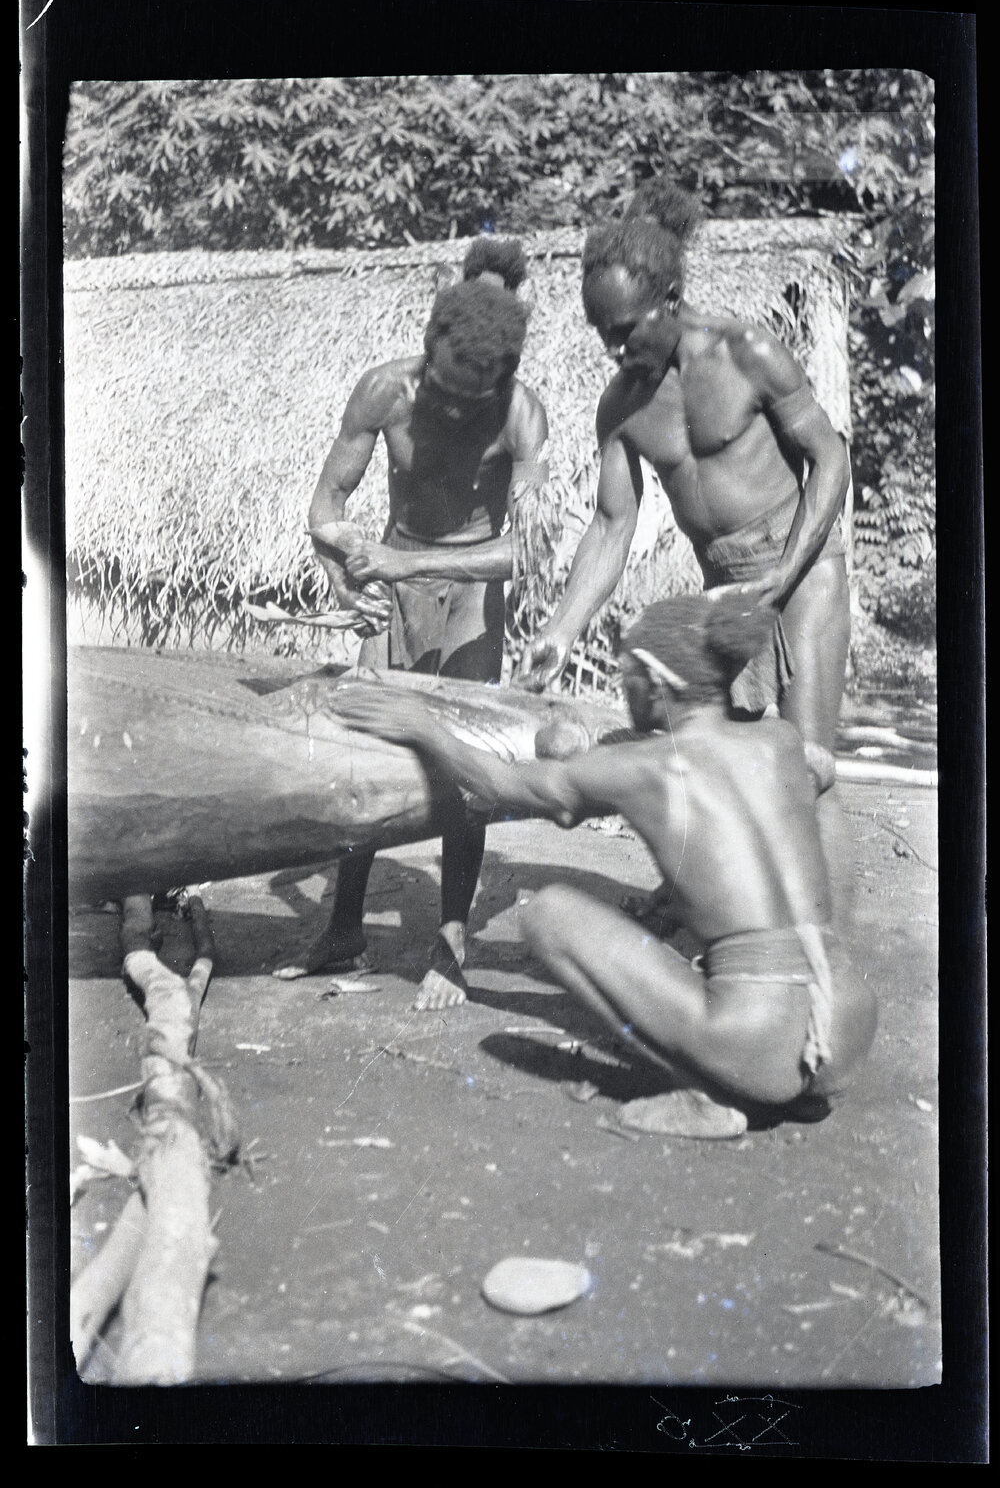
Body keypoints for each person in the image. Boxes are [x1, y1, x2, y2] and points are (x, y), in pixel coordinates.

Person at [332, 592, 877, 1129]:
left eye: (627, 675)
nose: (622, 688)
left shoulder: (644, 765)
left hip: (756, 1041)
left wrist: (420, 725)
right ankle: (793, 1085)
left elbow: (503, 786)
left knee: (549, 914)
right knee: (820, 793)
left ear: (657, 682)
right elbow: (800, 794)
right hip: (847, 1025)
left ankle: (711, 1093)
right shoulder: (780, 739)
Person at [273, 241, 551, 1010]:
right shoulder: (382, 392)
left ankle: (452, 937)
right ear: (429, 351)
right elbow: (325, 512)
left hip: (466, 594)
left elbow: (523, 554)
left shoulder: (523, 417)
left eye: (476, 398)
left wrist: (411, 572)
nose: (458, 409)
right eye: (447, 392)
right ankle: (341, 927)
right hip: (391, 577)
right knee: (363, 754)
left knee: (464, 767)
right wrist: (345, 572)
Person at [517, 177, 852, 795]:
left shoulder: (747, 352)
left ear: (670, 301)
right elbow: (612, 524)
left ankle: (806, 892)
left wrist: (782, 575)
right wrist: (561, 630)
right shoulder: (621, 406)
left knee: (805, 774)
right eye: (601, 333)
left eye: (624, 329)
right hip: (724, 587)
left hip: (802, 574)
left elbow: (830, 457)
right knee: (714, 769)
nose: (613, 348)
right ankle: (700, 894)